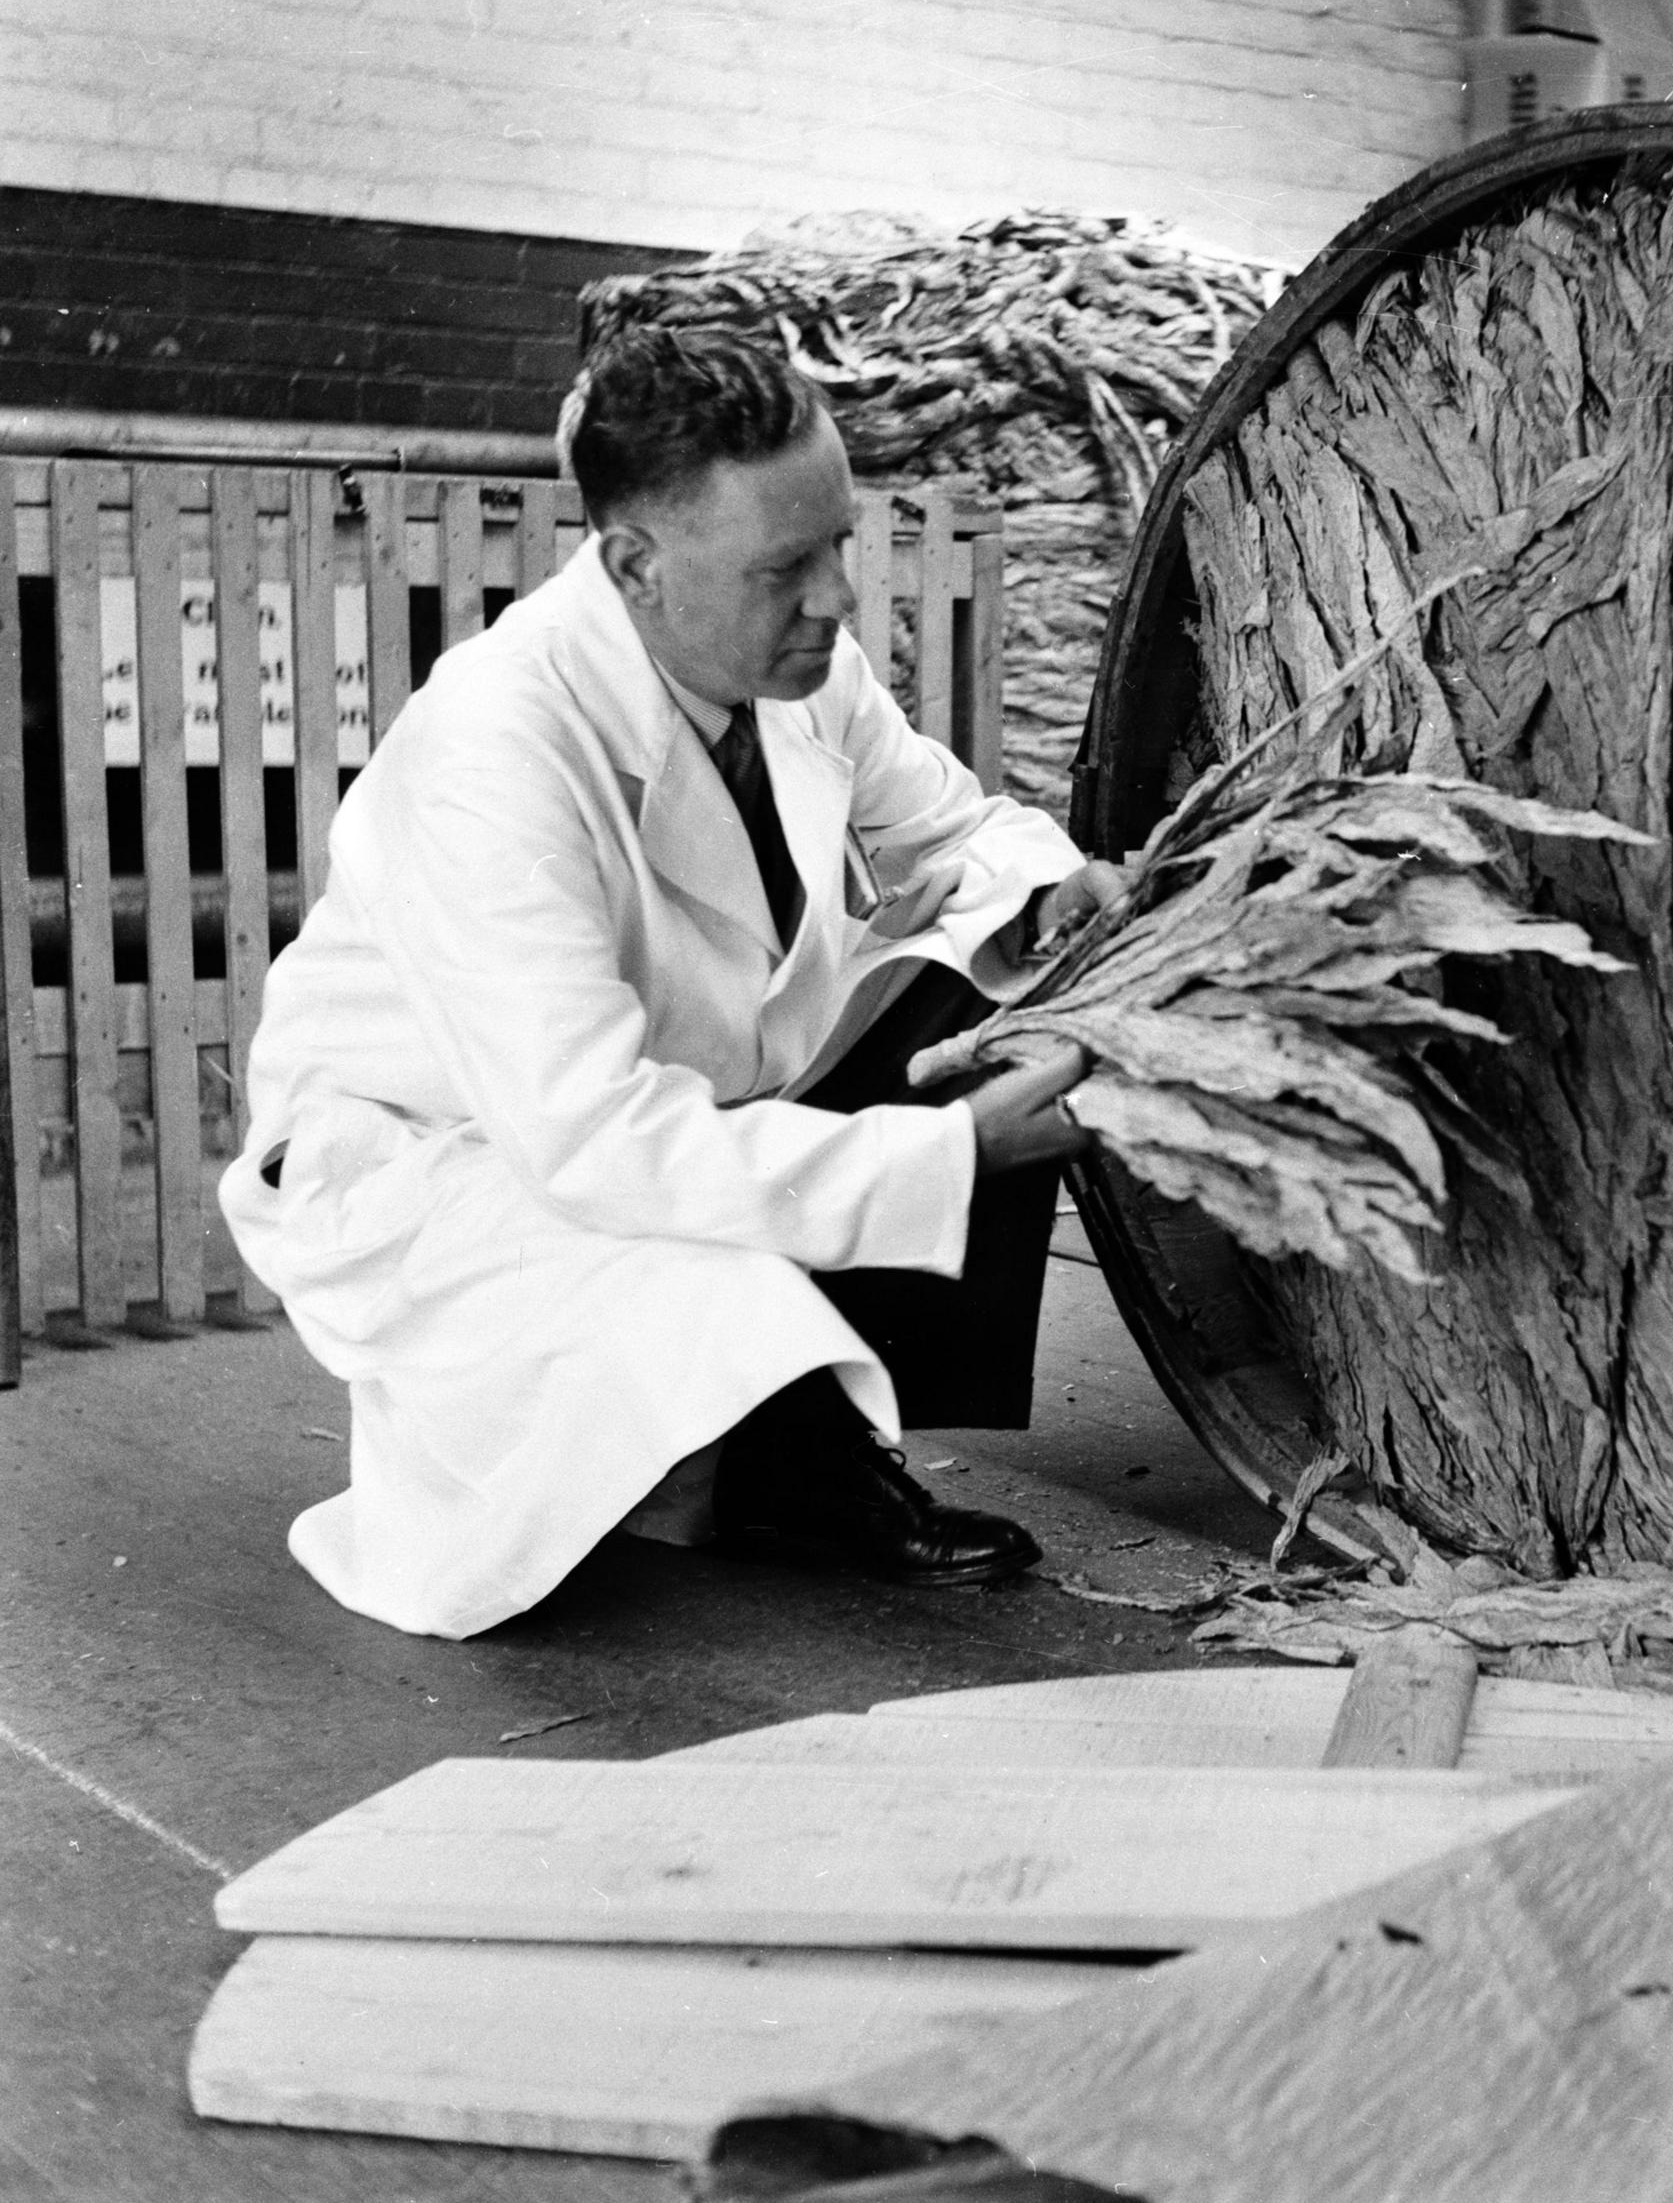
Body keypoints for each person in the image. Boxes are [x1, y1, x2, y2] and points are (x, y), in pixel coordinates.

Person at [218, 325, 1121, 1639]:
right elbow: (590, 1138)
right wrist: (947, 1154)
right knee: (676, 1269)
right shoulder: (495, 749)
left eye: (839, 546)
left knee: (996, 985)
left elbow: (951, 832)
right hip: (442, 1154)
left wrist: (1051, 896)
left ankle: (804, 1406)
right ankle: (788, 1460)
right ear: (634, 566)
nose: (838, 599)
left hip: (663, 1093)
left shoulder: (802, 667)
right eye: (785, 568)